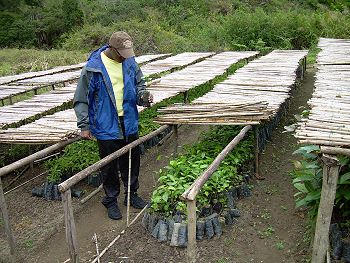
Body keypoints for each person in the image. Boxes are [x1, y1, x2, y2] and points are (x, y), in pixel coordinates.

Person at [73, 31, 153, 220]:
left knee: (132, 159)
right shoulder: (93, 68)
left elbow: (140, 83)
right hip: (105, 123)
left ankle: (131, 195)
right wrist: (84, 125)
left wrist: (143, 95)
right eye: (122, 54)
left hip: (129, 120)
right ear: (112, 49)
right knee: (109, 165)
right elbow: (81, 98)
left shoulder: (130, 62)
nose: (125, 57)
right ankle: (111, 200)